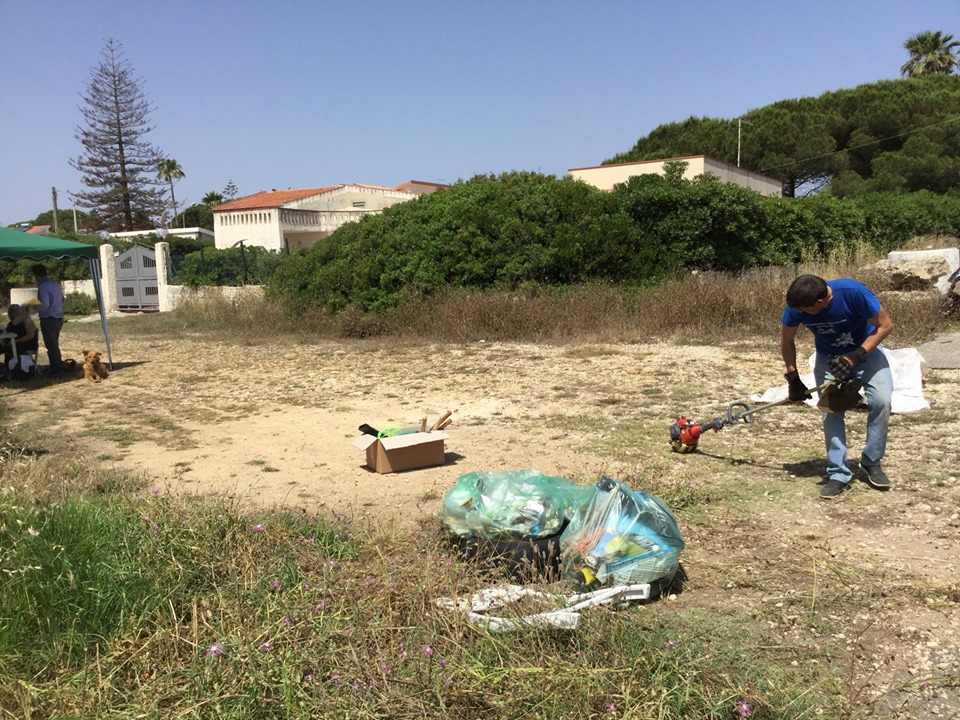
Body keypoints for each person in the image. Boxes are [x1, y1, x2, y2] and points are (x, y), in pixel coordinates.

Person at [780, 274, 894, 500]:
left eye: (804, 310)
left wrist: (857, 355)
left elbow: (885, 325)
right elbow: (787, 340)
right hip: (828, 357)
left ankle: (871, 462)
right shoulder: (797, 306)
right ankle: (838, 473)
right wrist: (793, 377)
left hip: (866, 351)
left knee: (882, 400)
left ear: (820, 302)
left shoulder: (853, 292)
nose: (800, 313)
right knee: (830, 411)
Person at [33, 264, 65, 375]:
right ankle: (57, 366)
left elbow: (45, 304)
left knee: (51, 345)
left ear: (36, 275)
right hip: (58, 317)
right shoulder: (54, 284)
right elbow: (62, 299)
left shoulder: (43, 286)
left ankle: (57, 369)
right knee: (54, 344)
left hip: (49, 318)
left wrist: (33, 308)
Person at [3, 304, 39, 376]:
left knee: (13, 348)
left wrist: (16, 341)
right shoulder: (11, 323)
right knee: (3, 347)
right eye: (13, 310)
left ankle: (18, 369)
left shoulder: (27, 321)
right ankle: (6, 370)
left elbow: (30, 336)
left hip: (27, 343)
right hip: (13, 343)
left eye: (17, 309)